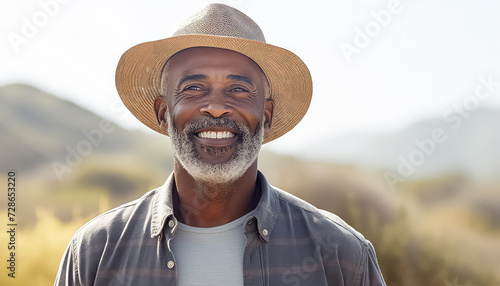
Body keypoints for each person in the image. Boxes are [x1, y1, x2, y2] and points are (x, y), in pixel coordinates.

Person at [55, 3, 386, 286]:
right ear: (162, 113)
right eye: (194, 87)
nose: (216, 106)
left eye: (239, 89)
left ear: (266, 115)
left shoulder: (341, 255)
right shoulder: (95, 253)